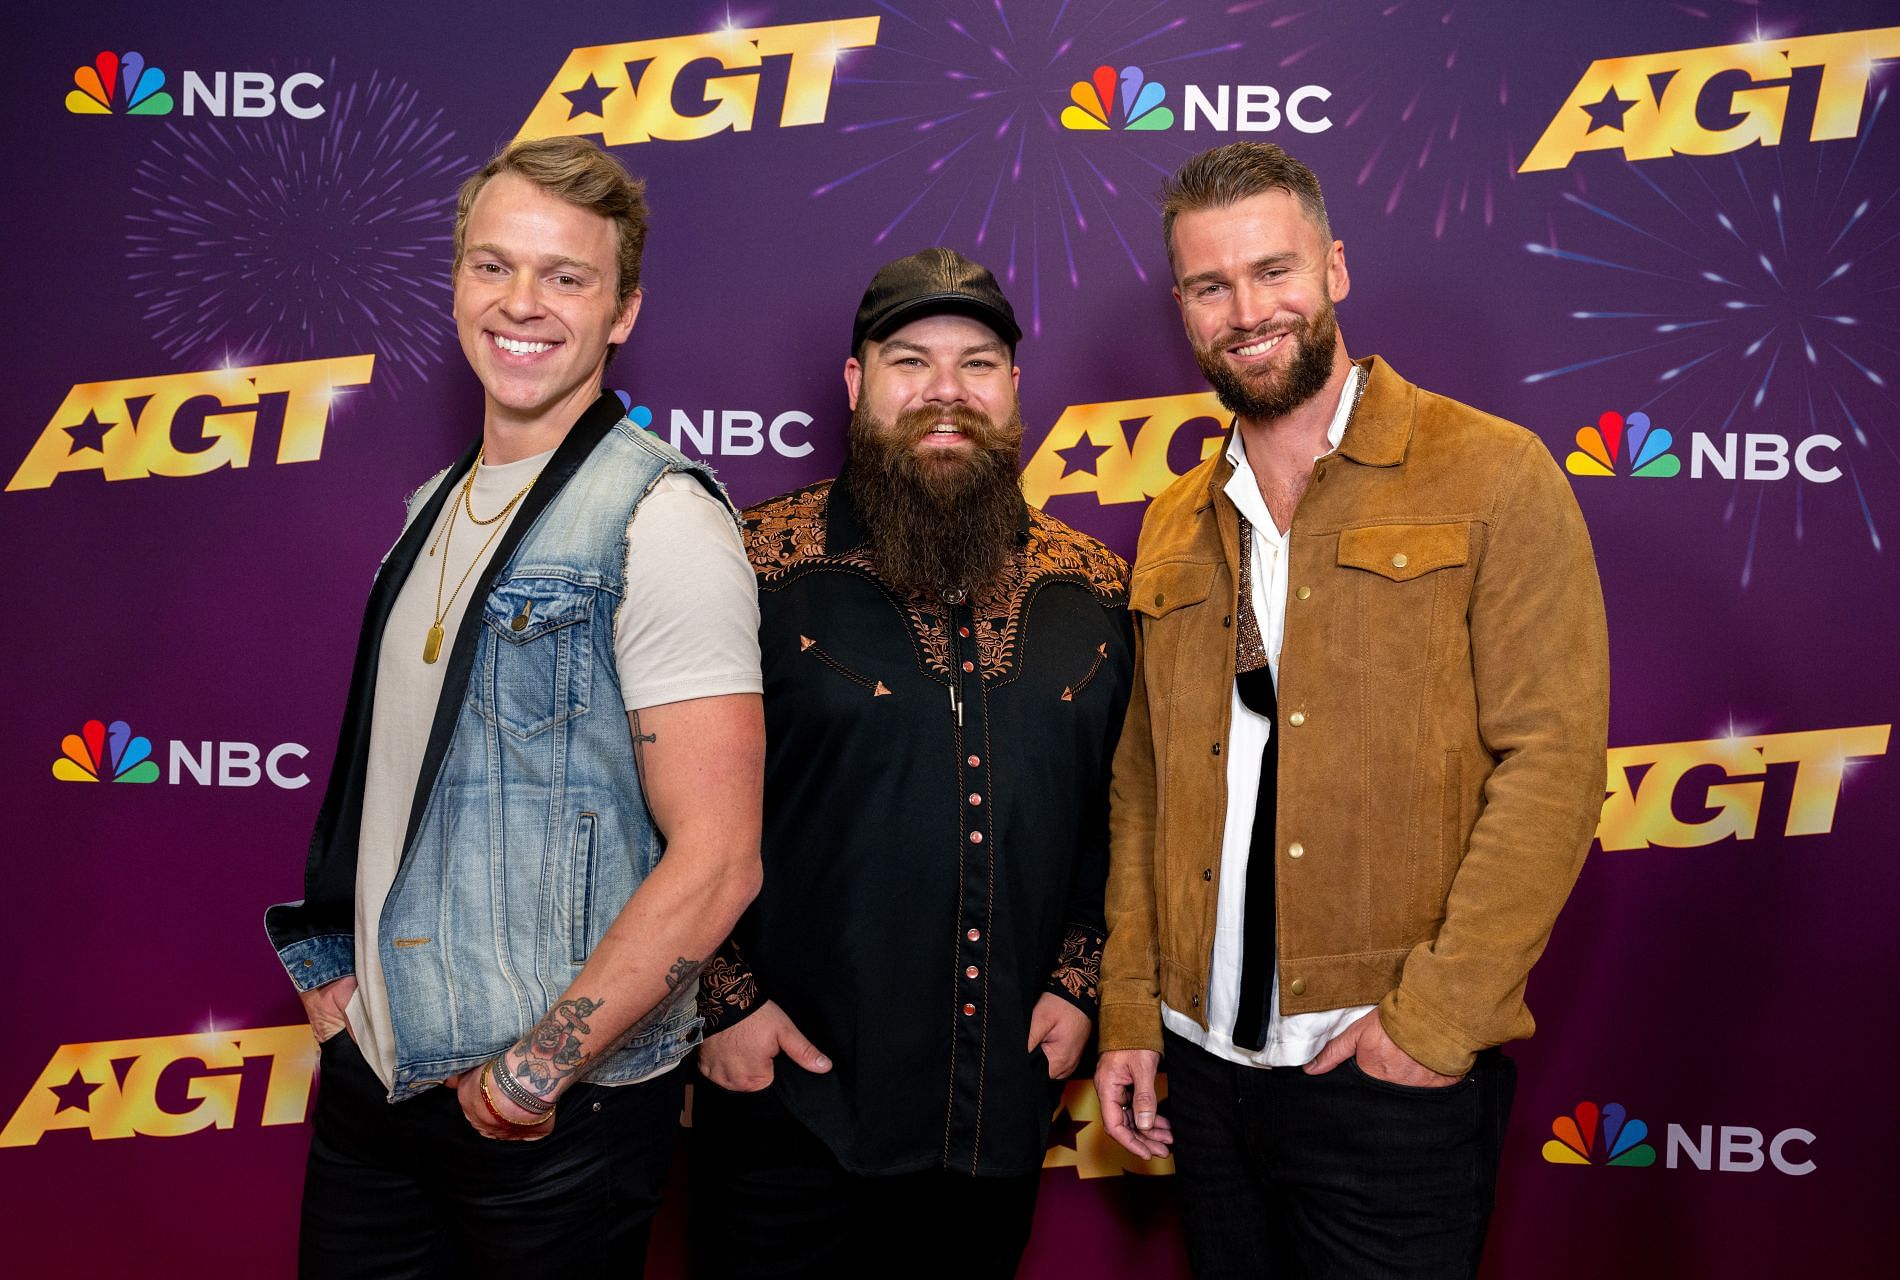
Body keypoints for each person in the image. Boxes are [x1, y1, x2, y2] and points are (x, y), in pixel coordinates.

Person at [1094, 141, 1609, 1278]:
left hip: (1386, 1074)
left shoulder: (1492, 473)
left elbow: (1556, 764)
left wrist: (1432, 1024)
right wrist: (1130, 1008)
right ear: (1181, 304)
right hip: (1207, 1078)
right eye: (1210, 284)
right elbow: (1144, 788)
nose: (1248, 310)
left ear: (1334, 268)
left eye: (1273, 271)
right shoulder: (1175, 517)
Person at [263, 136, 765, 1274]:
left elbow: (722, 857)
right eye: (493, 267)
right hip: (377, 1087)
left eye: (566, 275)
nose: (521, 304)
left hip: (538, 1122)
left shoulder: (662, 517)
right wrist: (341, 984)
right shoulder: (433, 505)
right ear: (456, 285)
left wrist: (531, 1072)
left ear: (622, 307)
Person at [690, 248, 1132, 1278]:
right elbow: (640, 796)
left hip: (993, 1120)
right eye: (909, 360)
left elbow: (1134, 816)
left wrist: (1082, 978)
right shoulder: (749, 564)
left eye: (977, 363)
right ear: (856, 384)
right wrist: (724, 1003)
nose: (946, 391)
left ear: (1015, 390)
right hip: (787, 1111)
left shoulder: (1099, 589)